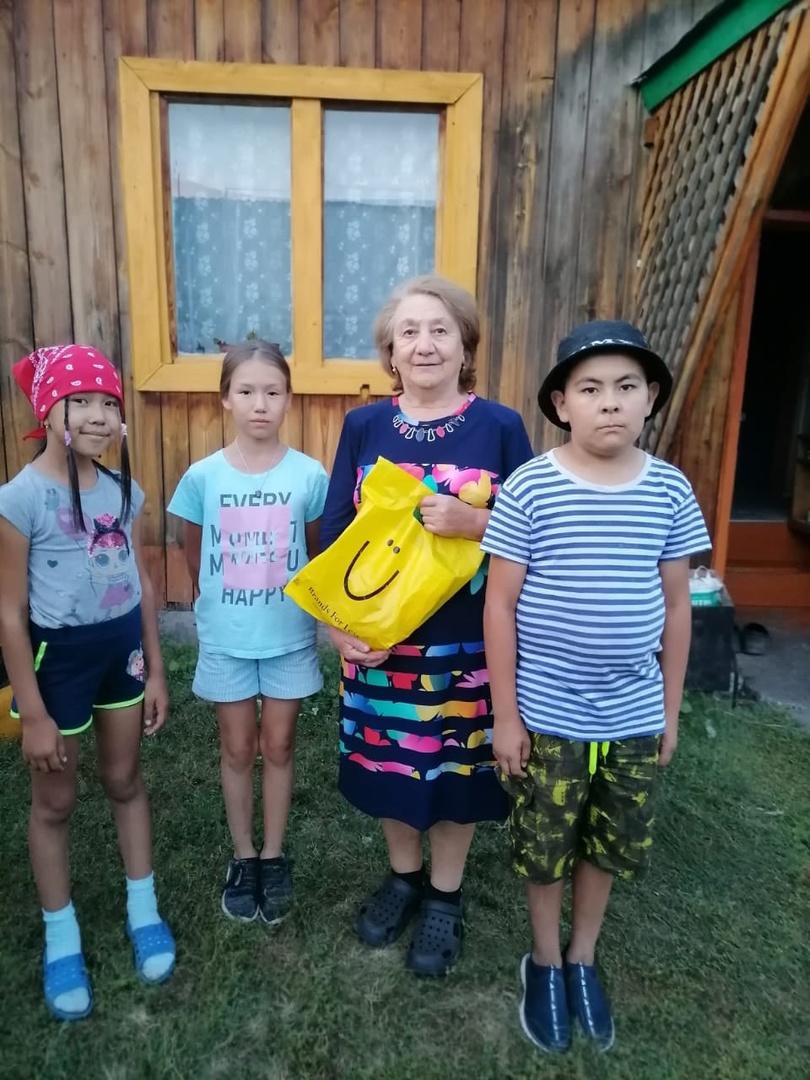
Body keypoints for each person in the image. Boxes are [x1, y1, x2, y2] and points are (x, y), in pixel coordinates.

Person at [481, 320, 711, 1053]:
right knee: (545, 842)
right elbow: (500, 605)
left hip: (633, 713)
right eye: (590, 388)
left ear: (650, 398)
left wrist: (669, 712)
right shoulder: (531, 487)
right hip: (546, 712)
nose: (609, 402)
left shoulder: (669, 489)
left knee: (608, 842)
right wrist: (506, 716)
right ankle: (544, 961)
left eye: (626, 386)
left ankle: (583, 956)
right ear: (561, 403)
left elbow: (676, 607)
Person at [320, 275, 533, 976]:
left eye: (440, 330)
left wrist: (478, 521)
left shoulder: (501, 427)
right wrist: (339, 628)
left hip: (470, 641)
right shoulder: (364, 427)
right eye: (408, 331)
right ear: (390, 352)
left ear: (465, 346)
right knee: (394, 762)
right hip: (382, 643)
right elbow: (335, 532)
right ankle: (403, 877)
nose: (424, 344)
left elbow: (539, 534)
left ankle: (444, 894)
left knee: (455, 767)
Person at [0, 345, 174, 1022]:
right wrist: (34, 711)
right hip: (59, 665)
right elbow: (9, 612)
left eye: (108, 403)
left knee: (125, 780)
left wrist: (155, 667)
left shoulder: (123, 490)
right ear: (48, 411)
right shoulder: (20, 498)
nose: (99, 416)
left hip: (121, 656)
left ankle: (143, 908)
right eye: (81, 402)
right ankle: (61, 935)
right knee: (56, 801)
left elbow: (142, 584)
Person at [168, 341, 327, 926]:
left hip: (288, 636)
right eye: (247, 391)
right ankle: (243, 855)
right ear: (226, 399)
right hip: (227, 638)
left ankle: (273, 854)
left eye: (273, 392)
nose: (260, 403)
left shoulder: (309, 475)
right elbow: (194, 554)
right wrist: (223, 604)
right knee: (237, 747)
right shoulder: (202, 476)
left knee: (278, 745)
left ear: (288, 399)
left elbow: (316, 552)